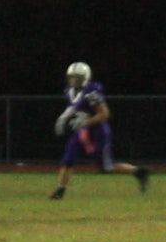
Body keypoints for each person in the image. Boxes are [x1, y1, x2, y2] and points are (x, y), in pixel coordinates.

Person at [47, 64, 151, 199]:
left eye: (77, 78)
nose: (73, 81)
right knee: (68, 159)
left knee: (106, 167)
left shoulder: (92, 91)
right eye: (71, 78)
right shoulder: (69, 90)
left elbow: (105, 114)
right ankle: (60, 191)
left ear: (84, 78)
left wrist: (86, 122)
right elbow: (73, 106)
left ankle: (139, 171)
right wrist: (62, 118)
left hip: (98, 132)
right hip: (82, 131)